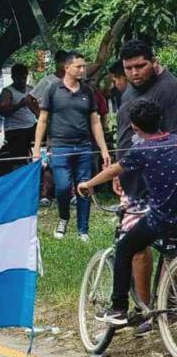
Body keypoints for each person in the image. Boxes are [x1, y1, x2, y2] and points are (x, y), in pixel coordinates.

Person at [76, 100, 177, 326]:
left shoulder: (140, 150)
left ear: (134, 128)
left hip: (162, 218)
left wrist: (87, 184)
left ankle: (119, 308)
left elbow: (114, 169)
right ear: (160, 120)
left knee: (125, 248)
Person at [112, 40, 177, 318]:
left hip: (158, 182)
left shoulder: (169, 89)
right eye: (129, 68)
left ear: (154, 60)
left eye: (141, 65)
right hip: (131, 178)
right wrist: (120, 172)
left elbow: (169, 142)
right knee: (142, 247)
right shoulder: (129, 90)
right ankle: (146, 308)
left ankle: (156, 310)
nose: (135, 72)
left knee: (148, 246)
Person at [33, 52, 112, 241]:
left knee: (84, 187)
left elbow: (95, 121)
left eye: (84, 66)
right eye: (79, 66)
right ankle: (63, 218)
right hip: (60, 147)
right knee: (62, 187)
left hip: (84, 146)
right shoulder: (52, 89)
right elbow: (43, 120)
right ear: (66, 68)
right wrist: (37, 148)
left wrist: (103, 149)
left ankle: (83, 230)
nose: (83, 70)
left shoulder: (88, 91)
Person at [0, 64, 39, 167]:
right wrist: (19, 105)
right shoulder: (7, 92)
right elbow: (3, 111)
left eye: (24, 78)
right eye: (18, 78)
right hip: (15, 129)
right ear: (13, 77)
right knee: (21, 156)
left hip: (31, 126)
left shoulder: (31, 90)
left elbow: (39, 108)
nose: (21, 81)